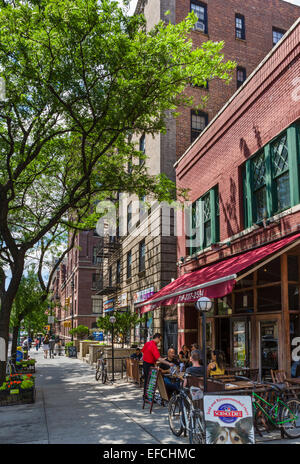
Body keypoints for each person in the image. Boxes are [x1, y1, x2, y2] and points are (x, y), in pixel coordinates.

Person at [141, 333, 174, 398]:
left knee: (147, 381)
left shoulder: (148, 343)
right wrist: (169, 363)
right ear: (157, 338)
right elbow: (159, 358)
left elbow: (143, 352)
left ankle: (146, 395)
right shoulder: (153, 346)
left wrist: (153, 361)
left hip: (145, 363)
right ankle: (148, 396)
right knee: (150, 381)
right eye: (160, 340)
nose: (159, 342)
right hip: (149, 365)